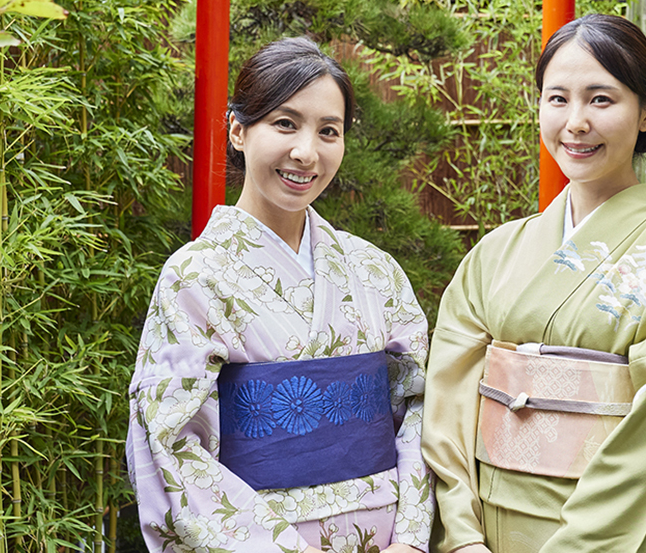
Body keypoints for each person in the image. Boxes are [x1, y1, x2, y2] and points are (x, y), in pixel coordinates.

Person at [422, 14, 646, 553]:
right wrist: (463, 539)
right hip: (484, 534)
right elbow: (447, 405)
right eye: (557, 98)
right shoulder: (494, 254)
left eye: (601, 99)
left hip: (600, 535)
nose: (575, 122)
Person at [127, 37, 432, 553]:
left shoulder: (375, 270)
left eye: (328, 131)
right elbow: (173, 445)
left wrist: (411, 538)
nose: (306, 152)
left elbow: (423, 407)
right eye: (285, 124)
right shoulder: (195, 277)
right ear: (239, 130)